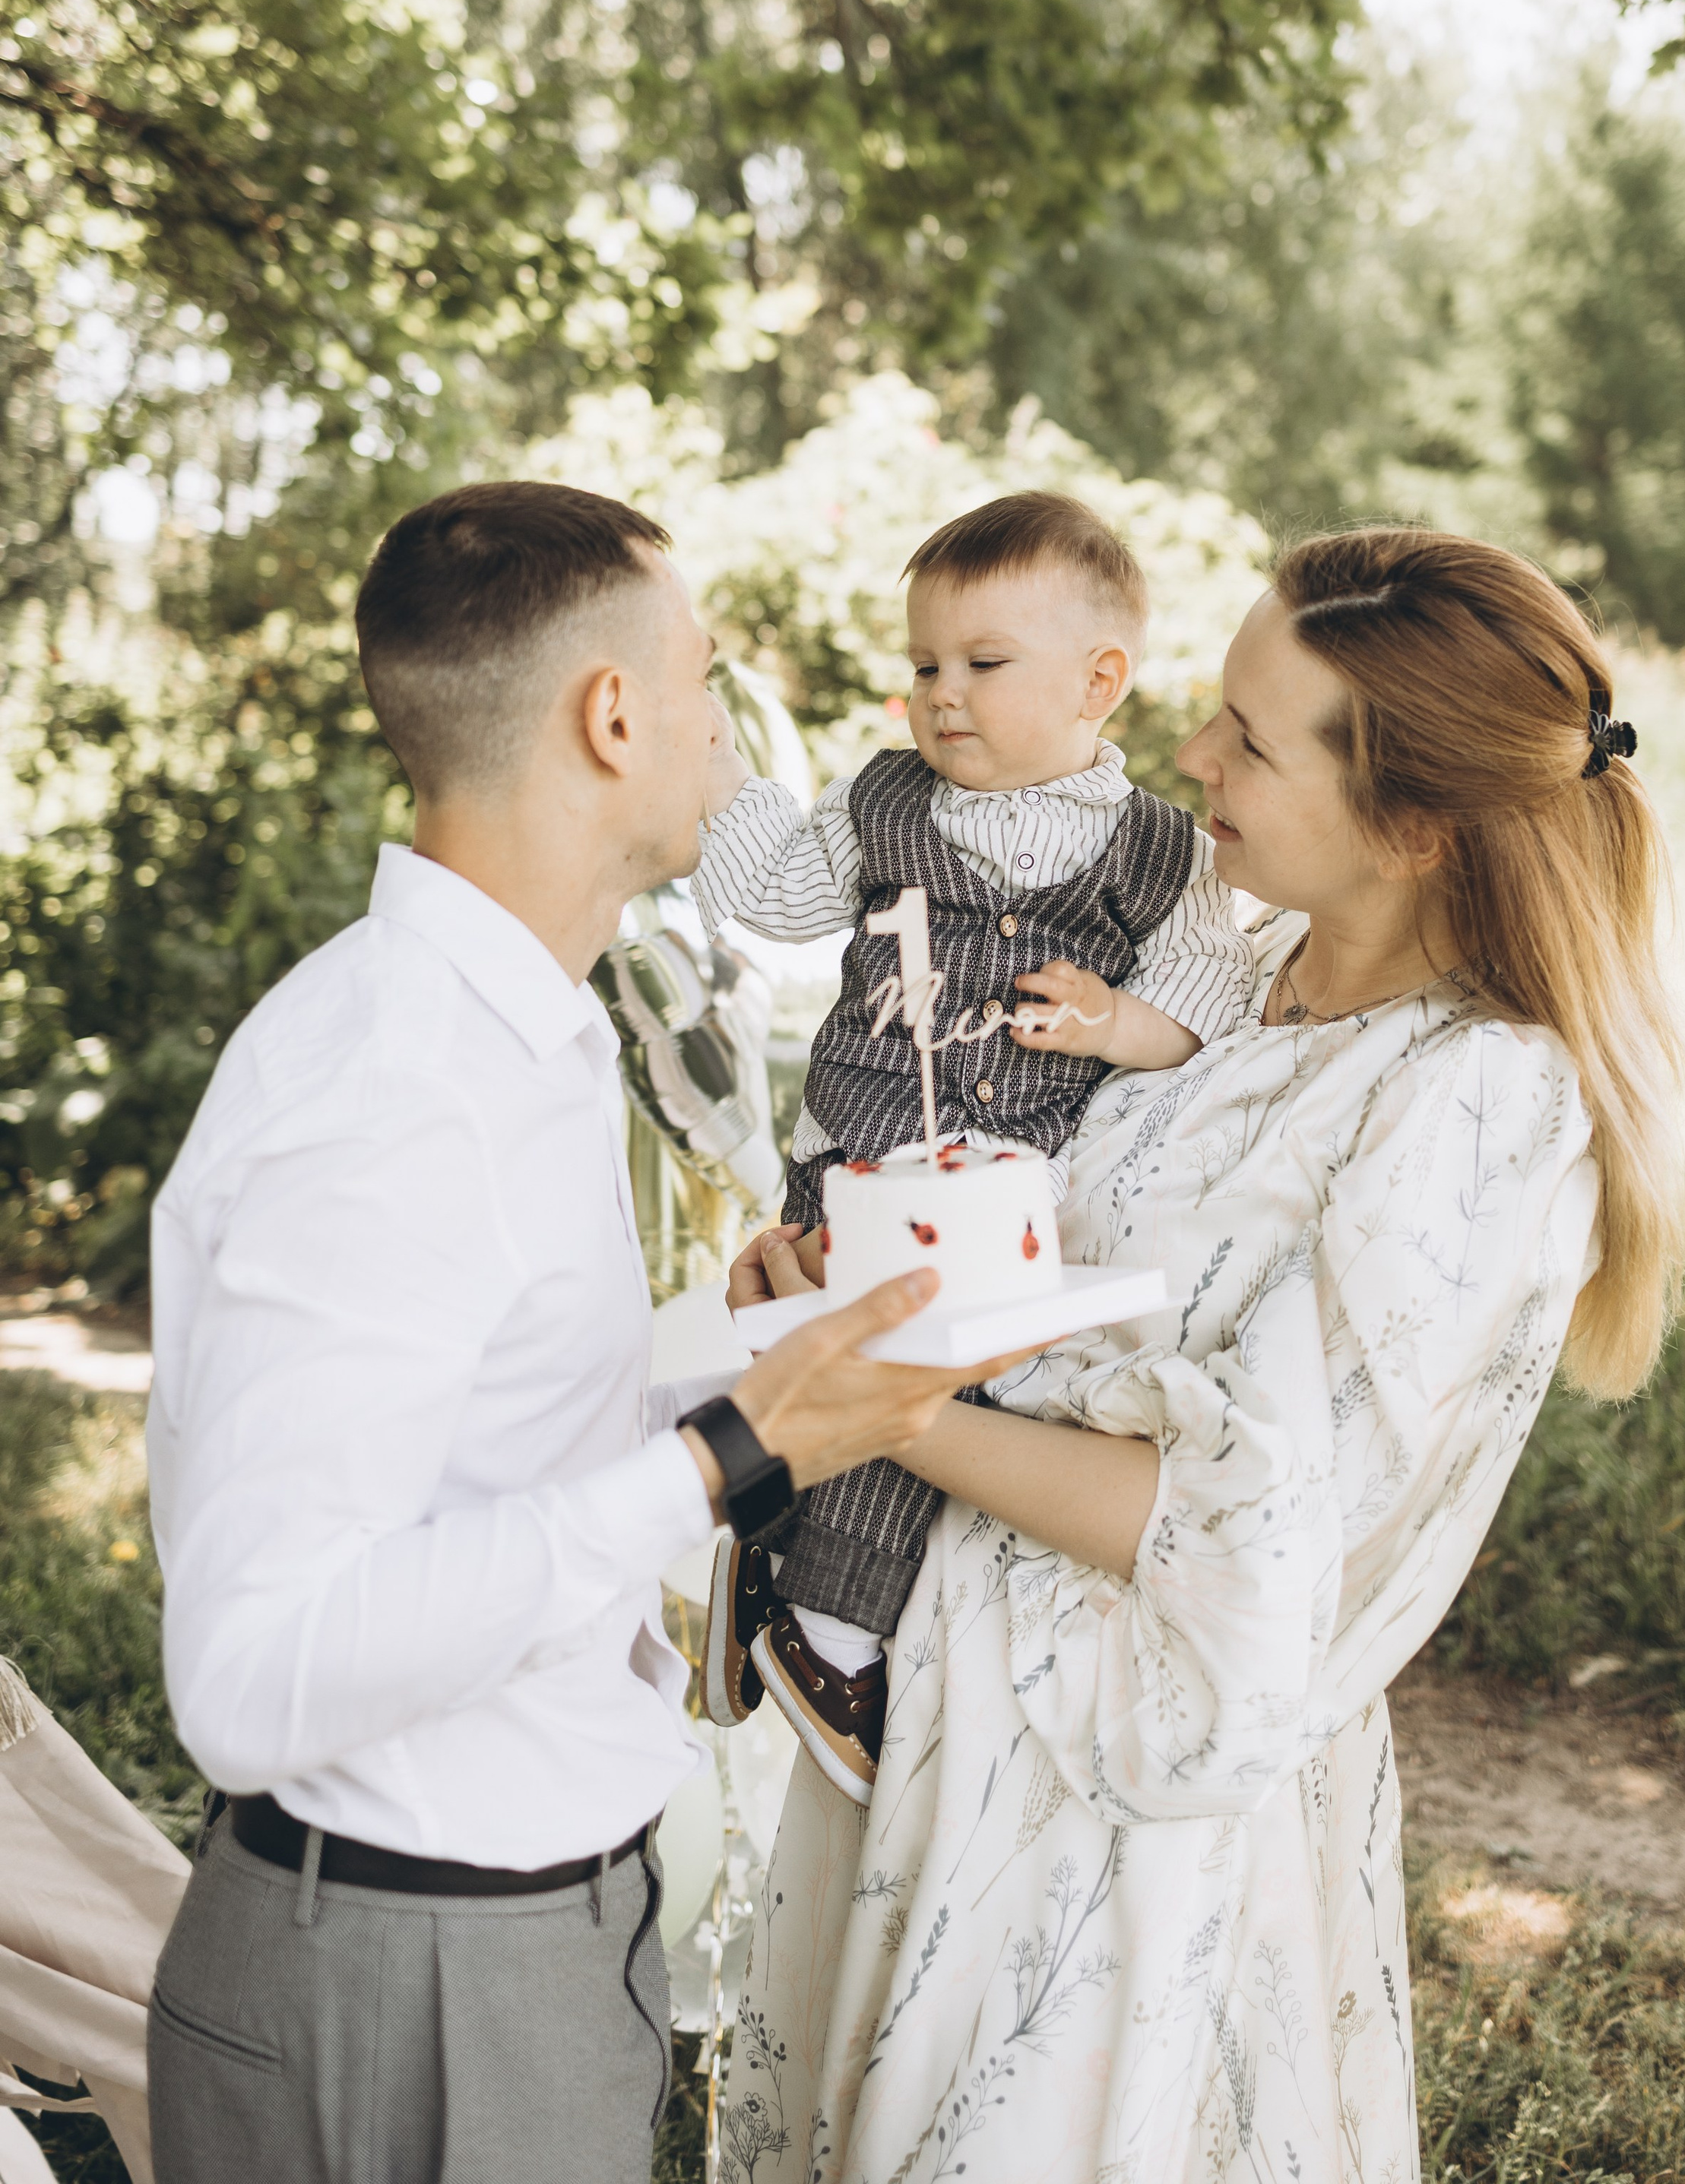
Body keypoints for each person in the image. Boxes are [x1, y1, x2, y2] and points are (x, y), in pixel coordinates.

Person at [722, 525, 1685, 2184]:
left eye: (1247, 735)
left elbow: (1251, 1530)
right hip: (953, 1706)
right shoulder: (1232, 986)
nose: (1188, 755)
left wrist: (872, 1398)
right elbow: (1058, 1285)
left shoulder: (1472, 1099)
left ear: (1412, 822)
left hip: (1118, 1809)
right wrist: (858, 1276)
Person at [142, 481, 1025, 2184]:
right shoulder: (393, 1092)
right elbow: (253, 1680)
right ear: (612, 716)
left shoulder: (515, 1032)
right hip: (409, 1987)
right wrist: (742, 1451)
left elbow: (481, 1425)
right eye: (701, 679)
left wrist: (726, 1351)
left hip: (521, 1945)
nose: (720, 727)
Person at [689, 492, 1251, 1800]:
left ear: (1098, 681)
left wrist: (1116, 1023)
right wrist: (712, 768)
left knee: (959, 1395)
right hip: (865, 1154)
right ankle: (827, 1636)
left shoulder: (1158, 849)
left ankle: (772, 1556)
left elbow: (1206, 1000)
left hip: (1014, 1187)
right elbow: (775, 893)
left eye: (984, 665)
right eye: (925, 666)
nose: (944, 696)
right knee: (879, 1364)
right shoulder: (887, 805)